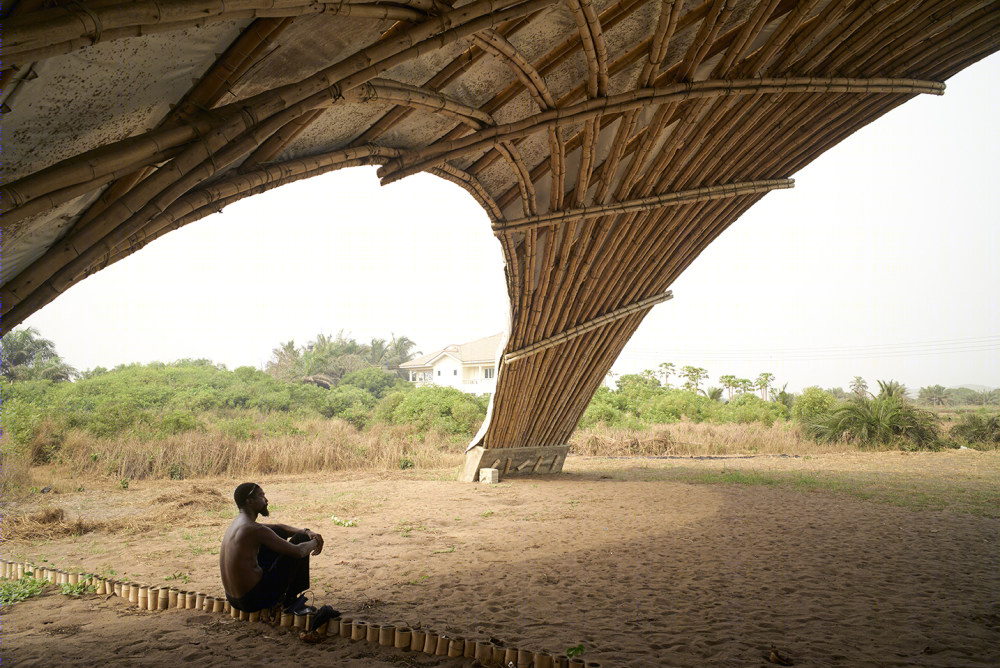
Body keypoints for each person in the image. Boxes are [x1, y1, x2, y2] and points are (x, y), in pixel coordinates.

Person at [220, 482, 324, 614]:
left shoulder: (239, 523)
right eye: (261, 496)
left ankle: (285, 599)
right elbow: (299, 551)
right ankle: (291, 602)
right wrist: (315, 540)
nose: (266, 500)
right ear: (250, 501)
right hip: (253, 600)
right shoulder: (254, 529)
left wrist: (305, 531)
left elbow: (277, 527)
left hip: (234, 599)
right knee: (301, 541)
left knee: (279, 532)